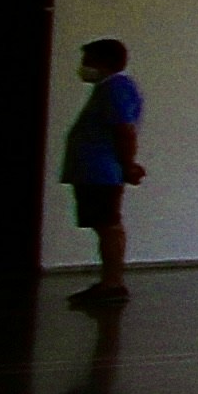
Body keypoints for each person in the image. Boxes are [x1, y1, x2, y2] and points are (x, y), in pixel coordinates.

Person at [61, 34, 147, 303]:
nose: (83, 66)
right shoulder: (110, 88)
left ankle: (112, 284)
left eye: (87, 60)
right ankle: (110, 282)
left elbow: (124, 130)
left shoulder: (115, 88)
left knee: (108, 226)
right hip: (95, 171)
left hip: (101, 172)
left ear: (103, 62)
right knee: (106, 225)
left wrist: (128, 165)